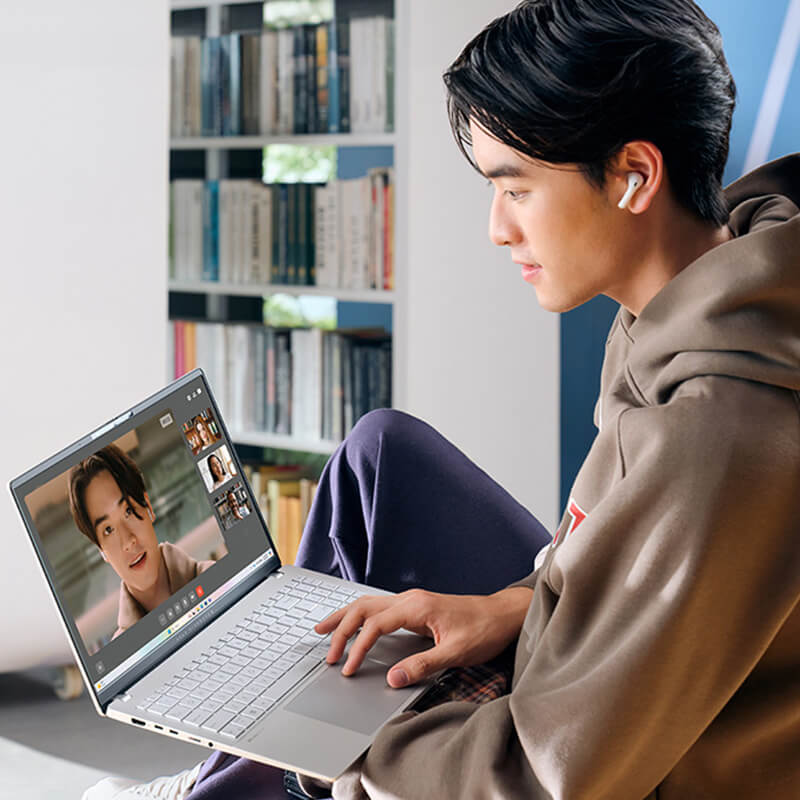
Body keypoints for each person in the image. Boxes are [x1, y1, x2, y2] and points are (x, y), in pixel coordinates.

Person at [84, 1, 800, 798]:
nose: (496, 229)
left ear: (635, 175)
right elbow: (616, 558)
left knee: (327, 731)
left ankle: (251, 775)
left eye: (516, 189)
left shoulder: (719, 430)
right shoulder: (713, 274)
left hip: (608, 765)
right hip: (585, 660)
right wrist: (510, 606)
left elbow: (542, 781)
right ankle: (244, 767)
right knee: (379, 450)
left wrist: (345, 746)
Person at [69, 444, 216, 639]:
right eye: (108, 530)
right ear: (101, 551)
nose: (128, 541)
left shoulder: (214, 579)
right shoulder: (122, 649)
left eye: (128, 511)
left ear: (148, 508)